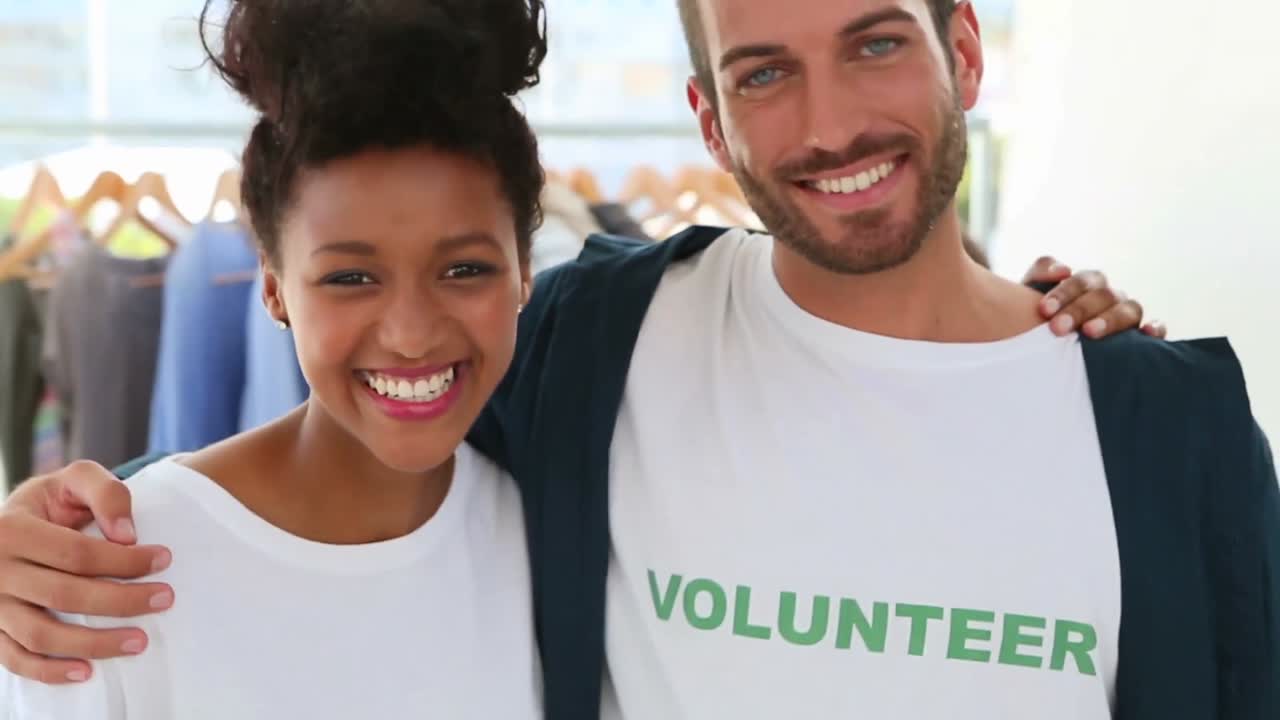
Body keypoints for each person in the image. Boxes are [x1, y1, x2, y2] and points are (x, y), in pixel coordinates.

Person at [0, 0, 1232, 716]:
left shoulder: (1159, 428)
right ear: (708, 119)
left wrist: (1097, 357)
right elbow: (338, 473)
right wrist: (54, 522)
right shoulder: (607, 342)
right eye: (761, 72)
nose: (830, 123)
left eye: (872, 41)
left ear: (964, 50)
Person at [0, 0, 547, 717]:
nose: (412, 335)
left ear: (525, 273)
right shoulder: (98, 578)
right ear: (273, 287)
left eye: (465, 270)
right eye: (350, 278)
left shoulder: (555, 531)